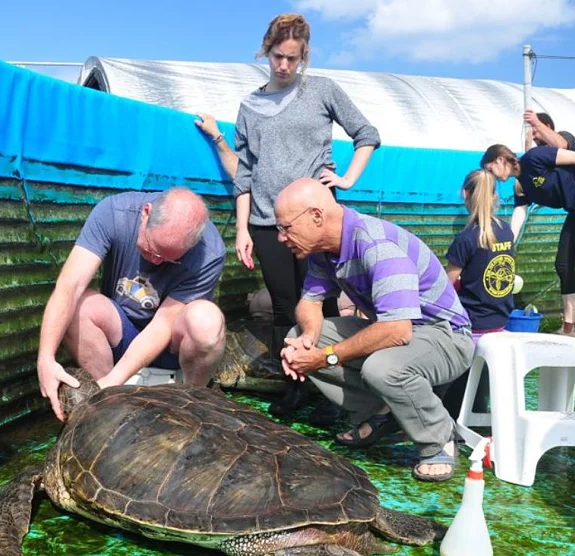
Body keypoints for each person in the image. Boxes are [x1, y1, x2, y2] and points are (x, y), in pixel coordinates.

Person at [204, 13, 382, 417]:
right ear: (265, 52)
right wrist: (243, 228)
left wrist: (348, 179)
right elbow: (245, 170)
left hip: (317, 219)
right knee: (285, 307)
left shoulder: (322, 90)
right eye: (277, 57)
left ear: (304, 57)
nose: (284, 66)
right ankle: (295, 386)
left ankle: (338, 387)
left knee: (327, 303)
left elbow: (366, 134)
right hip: (268, 223)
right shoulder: (250, 104)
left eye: (292, 58)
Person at [275, 178, 474, 482]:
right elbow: (309, 303)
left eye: (285, 227)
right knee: (292, 339)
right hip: (398, 329)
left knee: (381, 369)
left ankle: (438, 436)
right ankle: (383, 414)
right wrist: (308, 340)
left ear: (316, 216)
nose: (280, 238)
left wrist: (324, 357)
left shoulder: (376, 245)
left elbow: (397, 331)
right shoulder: (323, 251)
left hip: (445, 335)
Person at [36, 187, 227, 421]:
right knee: (79, 304)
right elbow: (69, 286)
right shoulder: (114, 213)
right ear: (146, 213)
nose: (156, 261)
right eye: (151, 249)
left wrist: (111, 383)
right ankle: (111, 405)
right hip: (122, 333)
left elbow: (163, 324)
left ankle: (189, 402)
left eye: (169, 259)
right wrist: (46, 357)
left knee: (206, 321)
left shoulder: (210, 252)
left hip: (171, 346)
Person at [481, 144, 575, 351]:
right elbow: (520, 214)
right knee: (563, 265)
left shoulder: (535, 157)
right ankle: (569, 328)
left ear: (500, 160)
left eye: (490, 169)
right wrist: (507, 244)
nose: (491, 175)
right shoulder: (520, 185)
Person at [440, 169, 516, 417]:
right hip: (500, 323)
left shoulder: (465, 238)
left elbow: (445, 287)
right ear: (494, 197)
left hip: (471, 327)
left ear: (465, 194)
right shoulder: (506, 232)